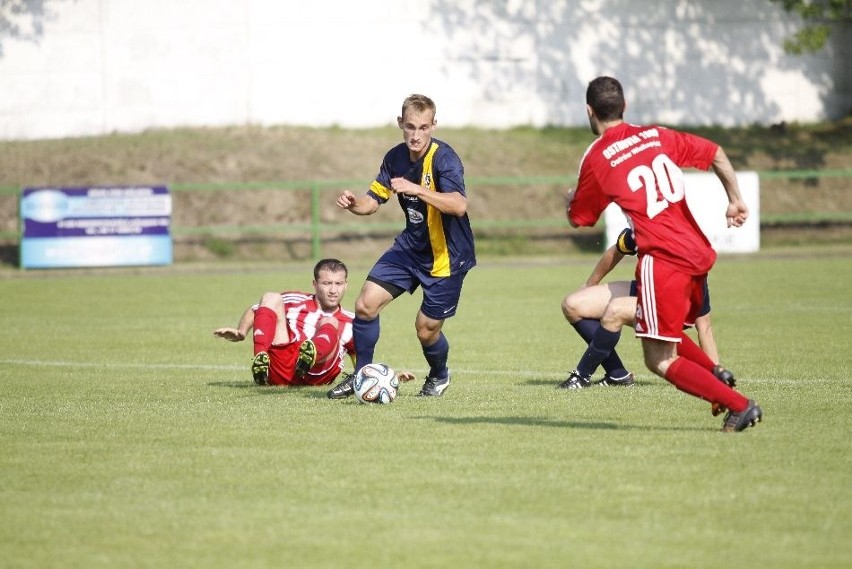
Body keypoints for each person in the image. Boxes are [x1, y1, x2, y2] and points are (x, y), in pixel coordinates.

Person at [565, 76, 762, 432]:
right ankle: (714, 374)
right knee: (651, 324)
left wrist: (570, 200)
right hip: (697, 252)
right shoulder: (656, 135)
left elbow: (580, 218)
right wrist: (735, 199)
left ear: (589, 112)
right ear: (624, 107)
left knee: (659, 358)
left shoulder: (597, 156)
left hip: (663, 258)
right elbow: (715, 151)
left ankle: (739, 405)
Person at [326, 94, 476, 399]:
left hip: (447, 256)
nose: (416, 135)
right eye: (410, 127)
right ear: (400, 124)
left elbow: (459, 206)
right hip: (410, 248)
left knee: (425, 329)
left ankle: (439, 374)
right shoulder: (394, 158)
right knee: (365, 304)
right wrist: (354, 204)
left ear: (434, 125)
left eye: (423, 127)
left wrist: (416, 189)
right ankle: (360, 376)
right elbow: (372, 203)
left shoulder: (445, 159)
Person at [559, 227, 737, 415]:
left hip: (672, 302)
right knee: (572, 304)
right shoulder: (644, 228)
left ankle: (581, 376)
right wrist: (589, 285)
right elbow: (616, 251)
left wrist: (718, 384)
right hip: (644, 289)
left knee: (617, 312)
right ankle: (617, 374)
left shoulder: (686, 249)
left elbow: (704, 327)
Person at [213, 258, 356, 387]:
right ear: (315, 284)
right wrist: (241, 332)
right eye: (326, 283)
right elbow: (257, 309)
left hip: (317, 373)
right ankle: (261, 360)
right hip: (283, 366)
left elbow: (360, 358)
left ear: (346, 285)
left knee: (330, 320)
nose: (333, 290)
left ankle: (311, 355)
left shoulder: (353, 321)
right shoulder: (295, 299)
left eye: (338, 284)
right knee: (271, 297)